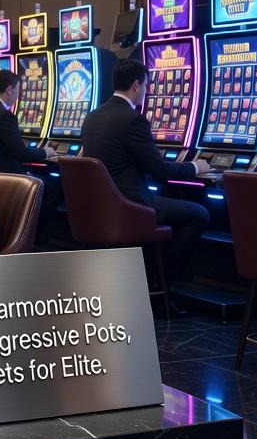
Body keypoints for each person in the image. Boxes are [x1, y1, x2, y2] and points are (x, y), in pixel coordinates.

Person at [80, 57, 209, 286]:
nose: (147, 91)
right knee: (199, 214)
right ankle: (160, 283)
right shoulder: (132, 120)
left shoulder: (92, 117)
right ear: (137, 85)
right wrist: (194, 166)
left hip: (99, 207)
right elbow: (160, 171)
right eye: (147, 85)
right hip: (131, 205)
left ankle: (152, 279)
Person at [0, 68, 56, 173]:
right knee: (51, 188)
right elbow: (23, 155)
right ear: (9, 90)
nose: (20, 93)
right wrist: (45, 152)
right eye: (18, 88)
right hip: (9, 176)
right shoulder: (5, 116)